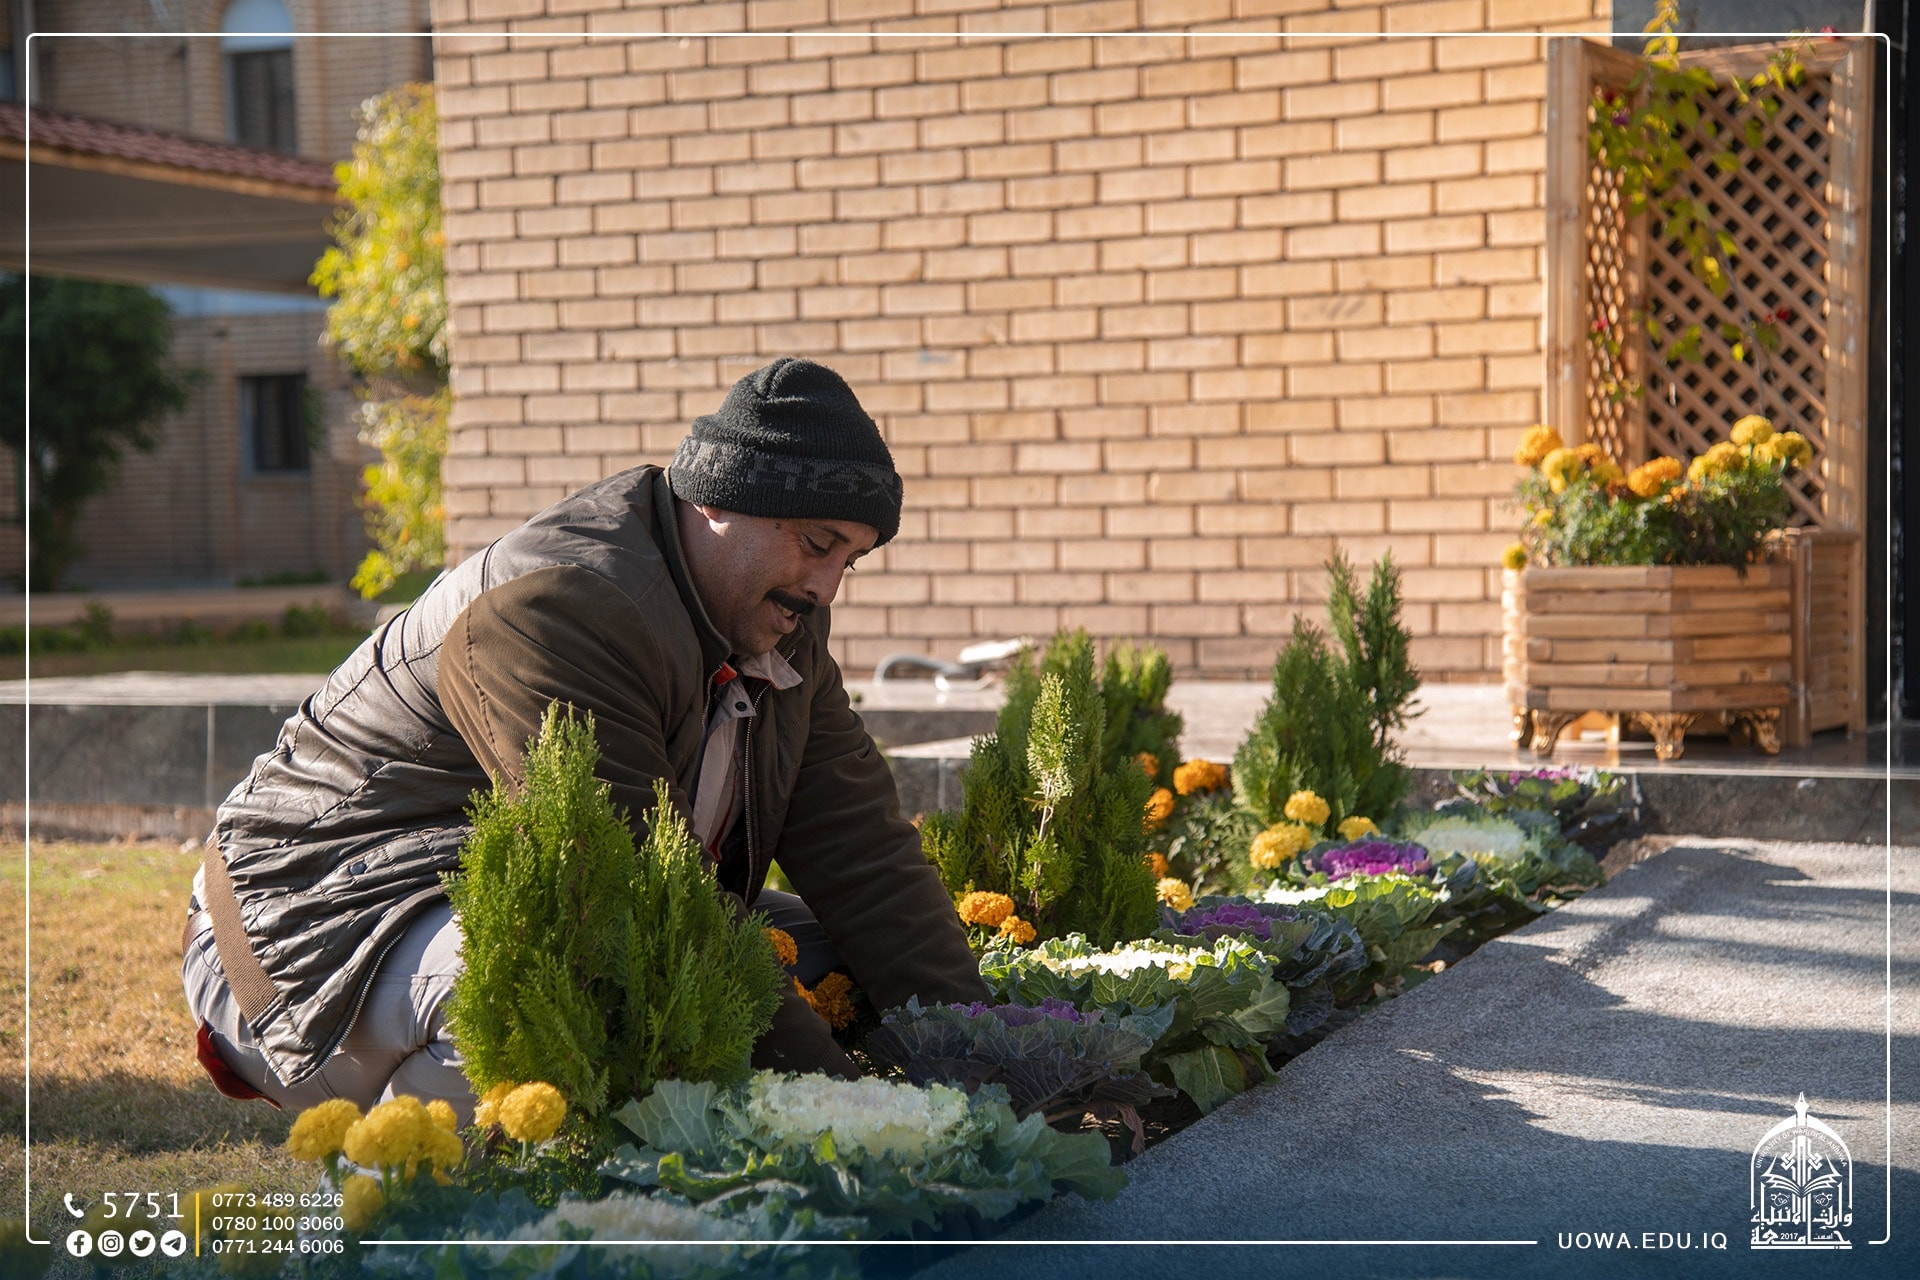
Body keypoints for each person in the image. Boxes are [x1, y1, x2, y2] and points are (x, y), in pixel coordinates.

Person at [181, 357, 989, 1117]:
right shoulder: (561, 608)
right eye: (817, 545)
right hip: (305, 934)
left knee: (845, 960)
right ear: (718, 500)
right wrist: (850, 1119)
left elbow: (866, 861)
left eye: (851, 560)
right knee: (552, 973)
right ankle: (404, 1193)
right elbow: (643, 903)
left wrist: (989, 1062)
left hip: (473, 908)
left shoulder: (777, 622)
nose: (825, 587)